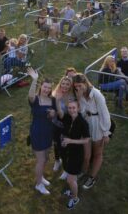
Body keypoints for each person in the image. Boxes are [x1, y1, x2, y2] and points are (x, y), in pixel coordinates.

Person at [72, 73, 111, 190]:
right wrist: (78, 98)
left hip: (97, 124)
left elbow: (105, 114)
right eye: (76, 86)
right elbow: (80, 112)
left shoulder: (97, 95)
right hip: (86, 124)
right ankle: (83, 171)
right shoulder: (80, 95)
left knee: (98, 153)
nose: (78, 88)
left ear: (85, 83)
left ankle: (91, 177)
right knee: (86, 154)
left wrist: (105, 133)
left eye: (80, 86)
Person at [27, 67, 57, 195]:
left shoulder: (52, 100)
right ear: (41, 87)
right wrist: (34, 80)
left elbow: (54, 114)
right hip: (37, 132)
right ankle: (38, 184)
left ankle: (41, 177)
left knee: (45, 158)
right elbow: (30, 96)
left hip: (48, 132)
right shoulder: (36, 99)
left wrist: (53, 113)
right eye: (45, 87)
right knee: (40, 160)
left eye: (49, 88)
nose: (47, 90)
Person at [61, 100, 90, 210]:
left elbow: (86, 140)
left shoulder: (82, 122)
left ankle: (75, 197)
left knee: (70, 180)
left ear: (78, 108)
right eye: (69, 108)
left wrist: (70, 141)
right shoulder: (68, 118)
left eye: (74, 108)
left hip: (76, 154)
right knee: (70, 176)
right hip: (68, 151)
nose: (71, 110)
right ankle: (72, 191)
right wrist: (65, 141)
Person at [53, 76, 75, 176]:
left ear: (70, 86)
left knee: (64, 145)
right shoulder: (55, 93)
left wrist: (58, 101)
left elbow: (63, 115)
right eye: (63, 83)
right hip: (55, 122)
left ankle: (66, 168)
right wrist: (56, 100)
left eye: (67, 84)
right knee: (56, 143)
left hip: (66, 123)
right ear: (60, 83)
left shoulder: (71, 97)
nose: (65, 86)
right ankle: (57, 161)